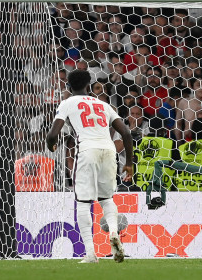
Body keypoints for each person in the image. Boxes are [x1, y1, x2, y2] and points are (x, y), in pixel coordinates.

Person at [47, 69, 135, 263]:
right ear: (88, 85)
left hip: (87, 151)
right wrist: (128, 163)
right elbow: (126, 133)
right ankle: (113, 232)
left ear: (69, 87)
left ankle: (90, 254)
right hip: (109, 150)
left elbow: (53, 134)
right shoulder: (104, 105)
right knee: (107, 199)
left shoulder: (67, 103)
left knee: (83, 203)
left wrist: (51, 145)